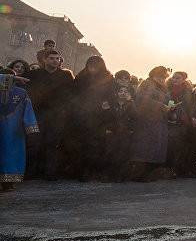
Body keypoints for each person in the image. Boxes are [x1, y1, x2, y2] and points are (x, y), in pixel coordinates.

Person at [24, 49, 74, 179]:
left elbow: (72, 94)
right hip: (38, 114)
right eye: (52, 58)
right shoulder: (34, 74)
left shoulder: (66, 76)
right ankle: (31, 172)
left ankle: (50, 172)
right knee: (35, 142)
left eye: (57, 58)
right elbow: (23, 85)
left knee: (53, 143)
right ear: (45, 60)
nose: (55, 61)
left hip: (57, 115)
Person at [70, 56, 114, 181]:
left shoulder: (108, 78)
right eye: (91, 65)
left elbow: (110, 96)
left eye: (96, 66)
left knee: (95, 145)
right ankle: (79, 170)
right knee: (80, 144)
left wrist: (105, 106)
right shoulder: (81, 77)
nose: (93, 69)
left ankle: (92, 171)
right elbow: (74, 94)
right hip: (82, 115)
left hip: (99, 117)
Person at [129, 66, 176, 179]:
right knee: (145, 149)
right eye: (160, 76)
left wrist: (171, 107)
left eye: (164, 77)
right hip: (147, 121)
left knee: (156, 149)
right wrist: (160, 106)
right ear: (154, 75)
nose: (162, 79)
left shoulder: (163, 87)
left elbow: (168, 100)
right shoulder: (147, 84)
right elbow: (142, 99)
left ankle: (148, 173)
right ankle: (140, 174)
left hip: (160, 121)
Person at [0, 70, 39, 191]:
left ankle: (9, 183)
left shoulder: (21, 93)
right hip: (12, 130)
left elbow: (28, 110)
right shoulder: (21, 92)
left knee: (11, 154)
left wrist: (30, 127)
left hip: (14, 130)